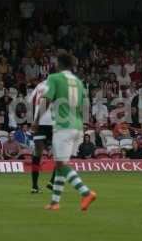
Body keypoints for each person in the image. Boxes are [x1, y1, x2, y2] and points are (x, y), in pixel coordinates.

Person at [33, 55, 96, 211]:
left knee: (61, 164)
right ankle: (55, 202)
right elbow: (83, 107)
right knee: (61, 164)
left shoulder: (55, 78)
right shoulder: (79, 83)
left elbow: (46, 100)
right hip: (77, 126)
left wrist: (36, 120)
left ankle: (85, 192)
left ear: (59, 64)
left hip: (63, 126)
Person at [28, 79, 55, 193]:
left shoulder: (39, 85)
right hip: (53, 123)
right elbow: (46, 100)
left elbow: (30, 101)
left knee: (37, 155)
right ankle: (52, 182)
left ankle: (34, 186)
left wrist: (35, 120)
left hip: (40, 124)